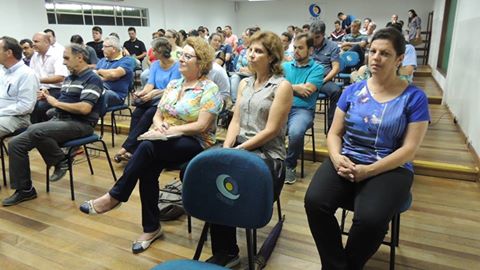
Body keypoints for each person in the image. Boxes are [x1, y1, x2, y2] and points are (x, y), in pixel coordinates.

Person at [79, 37, 223, 254]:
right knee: (147, 168)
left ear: (200, 62)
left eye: (187, 56)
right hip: (165, 140)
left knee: (146, 148)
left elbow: (202, 125)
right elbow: (157, 114)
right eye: (180, 54)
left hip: (194, 142)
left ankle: (116, 196)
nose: (181, 59)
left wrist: (172, 130)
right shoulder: (174, 85)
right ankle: (151, 228)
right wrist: (160, 127)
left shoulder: (209, 89)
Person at [304, 27, 430, 270]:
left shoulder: (414, 97)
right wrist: (336, 157)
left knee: (371, 220)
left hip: (391, 166)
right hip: (348, 156)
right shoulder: (351, 91)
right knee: (315, 202)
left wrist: (369, 171)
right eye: (373, 51)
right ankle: (335, 265)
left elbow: (409, 150)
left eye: (384, 53)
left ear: (400, 59)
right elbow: (334, 133)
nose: (375, 58)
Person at [206, 31, 293, 267]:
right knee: (211, 177)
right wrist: (225, 149)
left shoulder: (282, 86)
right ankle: (226, 250)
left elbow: (272, 130)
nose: (251, 55)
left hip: (268, 155)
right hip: (239, 148)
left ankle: (229, 244)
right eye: (250, 50)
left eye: (258, 51)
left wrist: (237, 151)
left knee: (230, 182)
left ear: (272, 57)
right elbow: (235, 121)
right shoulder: (244, 82)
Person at [2, 44, 104, 206]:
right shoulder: (70, 78)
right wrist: (48, 98)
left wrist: (55, 102)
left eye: (66, 58)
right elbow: (63, 103)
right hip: (61, 120)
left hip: (81, 124)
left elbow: (85, 108)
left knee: (35, 129)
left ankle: (60, 160)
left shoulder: (92, 79)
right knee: (16, 144)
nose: (64, 63)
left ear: (80, 58)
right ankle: (25, 190)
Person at [114, 37, 182, 162]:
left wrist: (152, 94)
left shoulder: (176, 66)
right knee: (136, 114)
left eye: (154, 50)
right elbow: (150, 84)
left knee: (147, 116)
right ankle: (132, 149)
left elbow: (171, 89)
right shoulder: (155, 65)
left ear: (161, 52)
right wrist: (142, 93)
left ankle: (126, 148)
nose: (152, 53)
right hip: (154, 97)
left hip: (167, 99)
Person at [282, 32, 324, 184]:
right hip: (282, 107)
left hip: (302, 110)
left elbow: (307, 91)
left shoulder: (317, 69)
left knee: (296, 132)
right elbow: (275, 87)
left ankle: (289, 165)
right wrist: (294, 88)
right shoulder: (284, 66)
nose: (295, 51)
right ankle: (273, 161)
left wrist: (285, 87)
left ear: (311, 50)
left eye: (300, 48)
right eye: (294, 47)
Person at [0, 36, 38, 137]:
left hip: (17, 118)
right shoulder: (2, 71)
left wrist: (1, 112)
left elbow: (25, 106)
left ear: (8, 53)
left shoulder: (27, 74)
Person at [29, 32, 69, 124]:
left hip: (56, 89)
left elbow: (60, 77)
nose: (33, 44)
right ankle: (30, 130)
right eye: (33, 41)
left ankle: (38, 130)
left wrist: (37, 80)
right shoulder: (35, 56)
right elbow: (31, 74)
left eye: (36, 41)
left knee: (39, 106)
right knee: (27, 103)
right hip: (39, 89)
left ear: (47, 42)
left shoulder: (58, 54)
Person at [310, 20, 342, 129]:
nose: (314, 40)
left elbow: (336, 68)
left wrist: (322, 81)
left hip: (324, 79)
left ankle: (332, 128)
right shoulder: (307, 44)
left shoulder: (332, 46)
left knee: (337, 91)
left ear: (323, 35)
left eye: (317, 37)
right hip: (307, 77)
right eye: (312, 37)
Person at [95, 35, 135, 107]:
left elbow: (114, 74)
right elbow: (94, 76)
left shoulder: (127, 60)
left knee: (97, 93)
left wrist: (100, 71)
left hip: (117, 95)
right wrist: (107, 77)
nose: (102, 49)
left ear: (113, 48)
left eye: (105, 46)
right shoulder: (102, 61)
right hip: (101, 89)